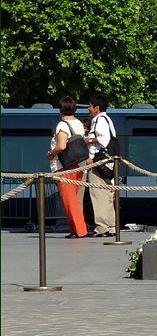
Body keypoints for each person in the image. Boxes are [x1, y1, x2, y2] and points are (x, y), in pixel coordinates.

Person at [46, 96, 88, 239]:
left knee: (69, 200)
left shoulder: (62, 125)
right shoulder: (79, 124)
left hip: (64, 167)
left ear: (60, 110)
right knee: (73, 199)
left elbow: (62, 146)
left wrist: (51, 153)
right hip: (77, 165)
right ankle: (75, 229)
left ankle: (80, 231)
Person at [84, 92, 117, 237]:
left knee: (98, 195)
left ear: (97, 107)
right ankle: (111, 226)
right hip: (108, 163)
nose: (88, 109)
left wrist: (88, 141)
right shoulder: (107, 119)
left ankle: (102, 227)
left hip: (98, 163)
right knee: (108, 195)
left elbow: (103, 140)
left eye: (90, 106)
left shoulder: (99, 120)